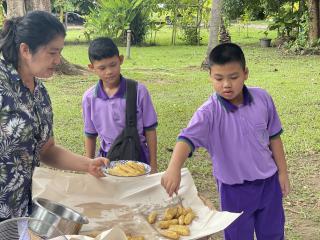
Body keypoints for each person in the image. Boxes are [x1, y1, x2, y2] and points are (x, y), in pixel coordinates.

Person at [161, 43, 290, 240]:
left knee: (273, 234)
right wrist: (173, 168)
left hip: (268, 184)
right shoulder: (208, 112)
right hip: (234, 190)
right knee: (238, 236)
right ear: (210, 76)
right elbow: (186, 139)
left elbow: (274, 138)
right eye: (219, 78)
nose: (226, 85)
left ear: (245, 73)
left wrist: (283, 172)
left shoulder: (262, 98)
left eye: (233, 77)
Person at [0, 11, 108, 221]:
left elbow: (46, 149)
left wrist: (88, 164)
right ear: (25, 50)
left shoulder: (40, 94)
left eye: (59, 52)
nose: (58, 60)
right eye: (52, 53)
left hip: (22, 208)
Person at [82, 37, 158, 172]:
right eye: (102, 68)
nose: (109, 71)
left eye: (113, 65)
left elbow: (150, 130)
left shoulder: (139, 91)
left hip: (138, 157)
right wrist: (89, 165)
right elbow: (90, 135)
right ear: (92, 68)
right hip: (107, 158)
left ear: (121, 60)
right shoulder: (89, 98)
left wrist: (153, 164)